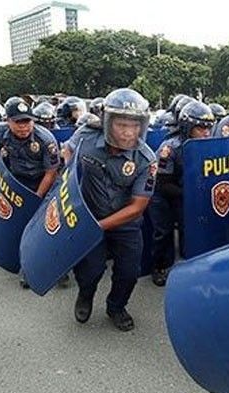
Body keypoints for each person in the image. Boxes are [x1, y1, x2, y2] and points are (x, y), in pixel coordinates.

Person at [71, 88, 157, 331]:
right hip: (89, 215)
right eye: (121, 125)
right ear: (107, 122)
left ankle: (116, 307)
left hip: (125, 224)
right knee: (91, 270)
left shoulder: (146, 160)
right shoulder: (86, 138)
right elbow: (66, 159)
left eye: (135, 125)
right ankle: (85, 295)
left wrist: (99, 226)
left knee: (129, 272)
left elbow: (137, 206)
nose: (129, 133)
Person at [0, 98, 61, 286]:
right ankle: (17, 261)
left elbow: (51, 172)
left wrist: (36, 198)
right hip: (15, 181)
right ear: (8, 121)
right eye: (18, 122)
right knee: (16, 224)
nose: (23, 127)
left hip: (42, 184)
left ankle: (54, 267)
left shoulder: (46, 140)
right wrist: (0, 174)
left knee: (43, 229)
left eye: (27, 121)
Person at [149, 100, 216, 286]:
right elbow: (163, 183)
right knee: (163, 232)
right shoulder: (169, 148)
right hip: (162, 194)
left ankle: (190, 261)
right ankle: (158, 267)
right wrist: (191, 193)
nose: (206, 132)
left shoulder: (204, 144)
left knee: (191, 228)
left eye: (209, 128)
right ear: (188, 126)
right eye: (201, 127)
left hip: (184, 192)